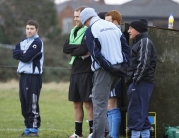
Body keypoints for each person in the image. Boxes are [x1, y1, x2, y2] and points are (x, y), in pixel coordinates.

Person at [80, 8, 128, 138]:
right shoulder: (113, 27)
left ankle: (98, 135)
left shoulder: (91, 30)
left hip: (104, 70)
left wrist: (109, 68)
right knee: (103, 100)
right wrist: (124, 66)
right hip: (118, 68)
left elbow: (96, 54)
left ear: (86, 19)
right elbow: (125, 47)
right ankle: (106, 132)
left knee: (99, 103)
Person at [63, 6, 93, 138]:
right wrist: (78, 48)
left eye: (78, 16)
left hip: (86, 71)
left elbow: (84, 49)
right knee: (76, 103)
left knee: (88, 103)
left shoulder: (89, 31)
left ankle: (93, 132)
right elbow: (65, 48)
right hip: (74, 71)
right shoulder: (72, 32)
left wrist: (75, 49)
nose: (75, 19)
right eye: (74, 16)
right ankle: (78, 133)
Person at [126, 19, 157, 138]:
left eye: (131, 28)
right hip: (140, 82)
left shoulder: (145, 42)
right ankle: (145, 135)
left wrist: (135, 80)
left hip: (141, 82)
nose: (128, 31)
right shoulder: (140, 42)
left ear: (138, 29)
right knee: (141, 112)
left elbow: (143, 63)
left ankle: (135, 135)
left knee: (136, 111)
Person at [12, 20, 44, 137]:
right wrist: (23, 52)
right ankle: (28, 127)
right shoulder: (23, 41)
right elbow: (14, 53)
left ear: (36, 30)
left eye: (31, 28)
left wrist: (23, 53)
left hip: (33, 77)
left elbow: (26, 58)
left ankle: (34, 129)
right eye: (27, 28)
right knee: (24, 102)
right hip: (23, 76)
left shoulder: (38, 42)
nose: (29, 31)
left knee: (32, 103)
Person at [105, 10, 131, 138]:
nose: (105, 25)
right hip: (110, 72)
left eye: (108, 22)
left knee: (112, 104)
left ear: (116, 22)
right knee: (109, 105)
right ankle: (111, 134)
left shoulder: (118, 35)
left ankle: (113, 135)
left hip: (115, 72)